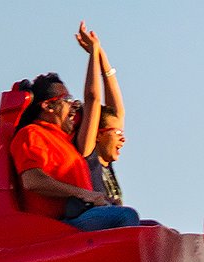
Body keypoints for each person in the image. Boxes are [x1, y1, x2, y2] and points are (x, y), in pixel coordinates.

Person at [8, 24, 138, 232]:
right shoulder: (31, 134)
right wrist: (81, 193)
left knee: (152, 228)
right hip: (56, 226)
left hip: (80, 217)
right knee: (125, 216)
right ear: (48, 106)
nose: (74, 105)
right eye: (67, 99)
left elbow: (112, 111)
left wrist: (100, 55)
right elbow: (32, 180)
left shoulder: (66, 139)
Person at [75, 23, 125, 205]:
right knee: (128, 216)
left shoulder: (106, 163)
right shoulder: (89, 154)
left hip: (113, 225)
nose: (123, 139)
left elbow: (118, 110)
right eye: (117, 133)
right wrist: (94, 54)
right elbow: (92, 99)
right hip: (90, 225)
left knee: (156, 228)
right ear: (99, 135)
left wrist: (101, 54)